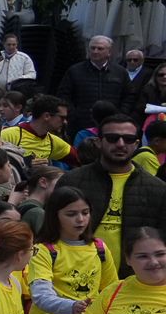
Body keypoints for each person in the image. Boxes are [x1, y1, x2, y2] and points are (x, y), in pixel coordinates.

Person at [59, 113, 166, 272]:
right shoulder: (72, 181)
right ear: (98, 142)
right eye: (112, 138)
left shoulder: (158, 189)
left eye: (128, 139)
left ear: (136, 144)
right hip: (75, 273)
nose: (121, 144)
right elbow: (52, 230)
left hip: (133, 279)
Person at [56, 36, 124, 139]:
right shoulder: (75, 71)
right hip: (81, 124)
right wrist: (74, 115)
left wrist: (121, 114)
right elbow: (63, 95)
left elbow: (129, 96)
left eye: (100, 48)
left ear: (109, 52)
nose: (95, 51)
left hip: (113, 124)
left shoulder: (120, 72)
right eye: (92, 48)